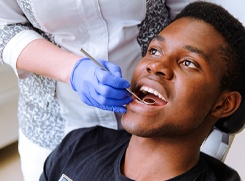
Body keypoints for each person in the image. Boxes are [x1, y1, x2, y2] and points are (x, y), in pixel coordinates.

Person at [39, 1, 245, 180]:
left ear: (224, 104)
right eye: (154, 50)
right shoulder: (78, 146)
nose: (156, 66)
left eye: (188, 63)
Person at [0, 1, 193, 180]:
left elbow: (192, 15)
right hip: (55, 126)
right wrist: (73, 71)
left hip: (163, 135)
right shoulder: (61, 156)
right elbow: (4, 26)